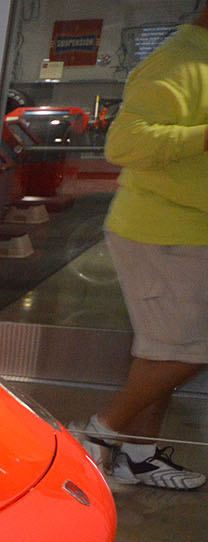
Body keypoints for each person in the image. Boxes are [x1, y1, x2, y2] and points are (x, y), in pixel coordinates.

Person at [81, 10, 208, 490]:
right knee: (189, 347)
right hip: (165, 232)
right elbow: (125, 143)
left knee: (162, 350)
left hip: (188, 228)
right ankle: (99, 435)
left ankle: (139, 455)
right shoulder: (180, 61)